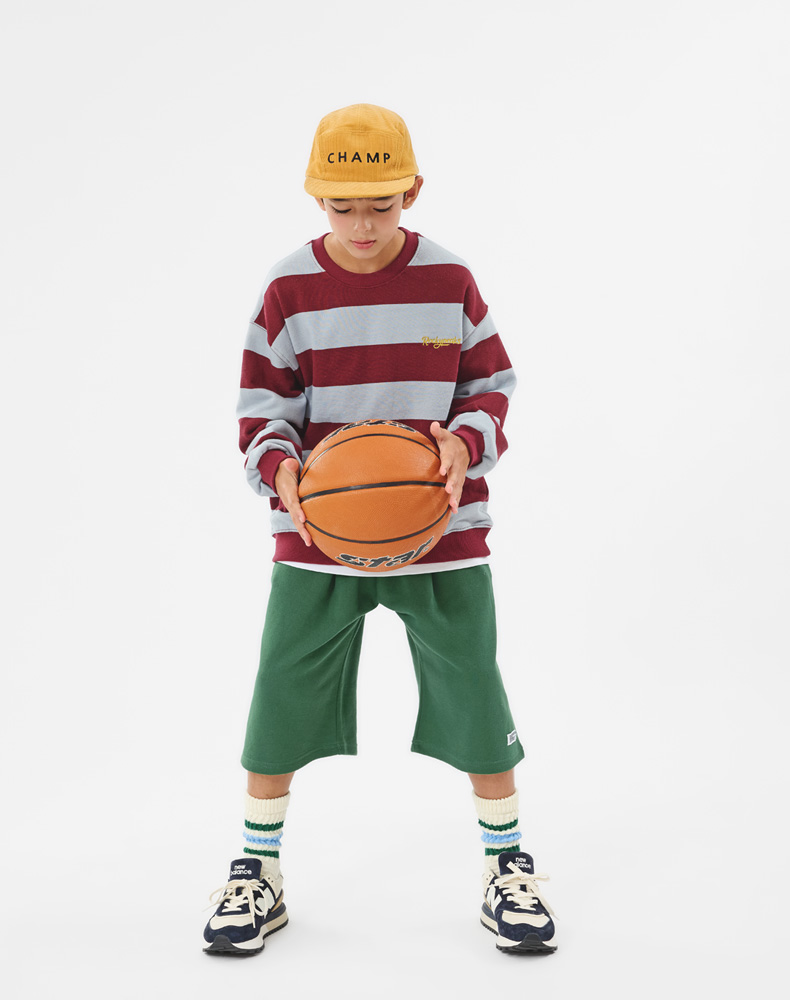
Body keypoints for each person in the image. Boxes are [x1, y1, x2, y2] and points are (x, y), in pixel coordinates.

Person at [203, 104, 557, 956]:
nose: (362, 225)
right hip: (317, 536)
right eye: (342, 207)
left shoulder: (451, 280)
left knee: (475, 690)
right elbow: (262, 408)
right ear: (314, 197)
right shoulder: (288, 290)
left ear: (413, 192)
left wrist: (465, 441)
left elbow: (491, 385)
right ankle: (257, 871)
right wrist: (281, 470)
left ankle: (507, 864)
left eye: (381, 205)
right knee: (279, 692)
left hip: (444, 527)